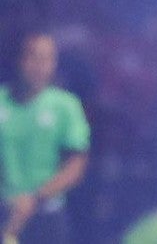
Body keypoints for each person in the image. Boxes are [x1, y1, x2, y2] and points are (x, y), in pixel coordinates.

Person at [0, 33, 90, 244]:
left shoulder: (66, 106)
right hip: (4, 210)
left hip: (47, 217)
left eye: (46, 59)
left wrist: (35, 198)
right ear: (19, 58)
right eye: (33, 57)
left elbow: (76, 164)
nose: (39, 66)